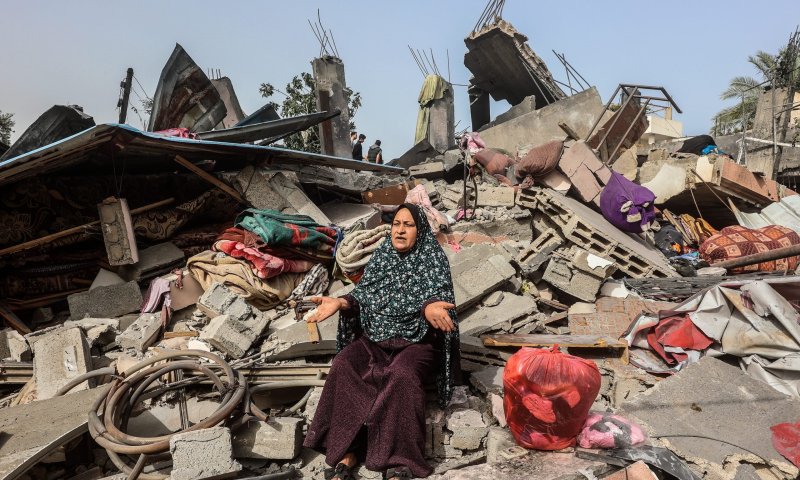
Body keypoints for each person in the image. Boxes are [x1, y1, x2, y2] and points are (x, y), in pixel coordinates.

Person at [303, 203, 460, 480]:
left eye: (408, 225)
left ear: (420, 230)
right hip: (376, 338)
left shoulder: (432, 258)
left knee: (401, 375)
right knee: (344, 364)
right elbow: (364, 294)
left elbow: (440, 295)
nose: (400, 230)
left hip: (417, 341)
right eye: (396, 224)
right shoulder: (383, 255)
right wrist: (341, 301)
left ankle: (399, 463)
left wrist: (430, 307)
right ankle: (347, 453)